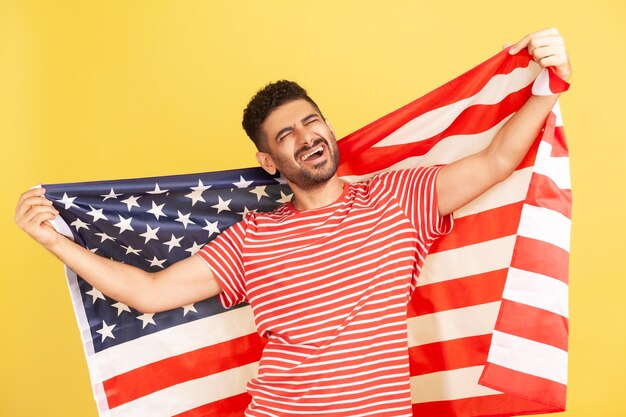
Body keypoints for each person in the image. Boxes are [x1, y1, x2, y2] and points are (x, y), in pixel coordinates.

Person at [15, 28, 571, 417]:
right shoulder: (254, 237)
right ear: (269, 161)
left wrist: (549, 86)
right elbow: (151, 292)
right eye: (287, 136)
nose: (307, 137)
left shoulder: (400, 198)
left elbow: (497, 161)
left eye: (312, 122)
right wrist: (55, 241)